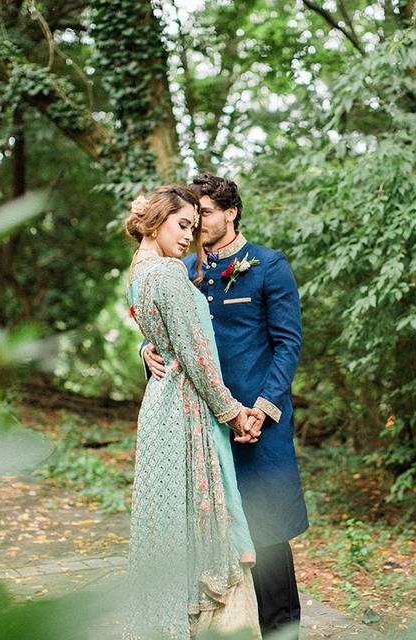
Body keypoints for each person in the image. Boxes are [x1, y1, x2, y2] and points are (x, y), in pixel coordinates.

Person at [141, 174, 309, 638]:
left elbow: (287, 345)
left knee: (268, 536)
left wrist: (260, 408)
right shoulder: (182, 267)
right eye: (191, 216)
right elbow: (165, 329)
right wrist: (146, 350)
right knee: (210, 539)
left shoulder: (269, 266)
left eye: (206, 213)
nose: (196, 223)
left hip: (258, 424)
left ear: (231, 212)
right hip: (201, 427)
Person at [123, 184, 263, 640]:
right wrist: (233, 412)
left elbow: (165, 339)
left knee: (168, 524)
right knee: (198, 522)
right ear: (156, 220)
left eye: (195, 228)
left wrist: (150, 348)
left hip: (159, 407)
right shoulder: (166, 274)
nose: (190, 238)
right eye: (183, 225)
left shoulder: (138, 275)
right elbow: (197, 357)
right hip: (184, 406)